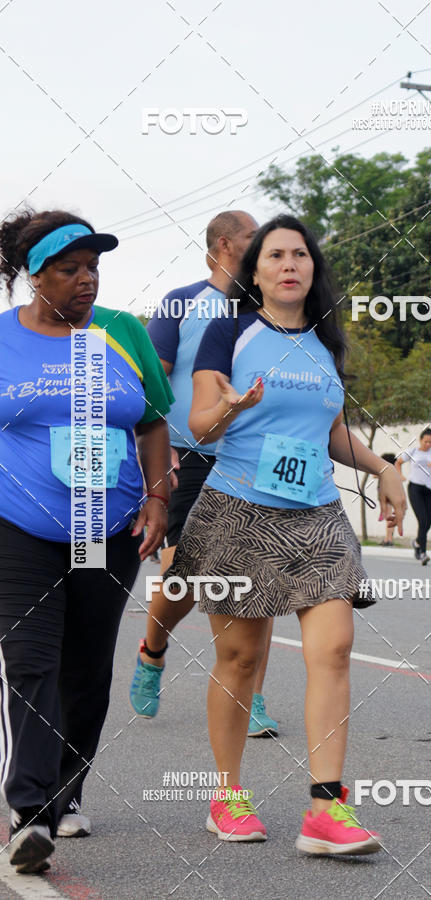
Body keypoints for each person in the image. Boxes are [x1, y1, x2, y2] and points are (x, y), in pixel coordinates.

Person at [150, 214, 407, 853]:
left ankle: (325, 809)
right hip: (238, 511)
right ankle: (228, 796)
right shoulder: (229, 331)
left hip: (316, 514)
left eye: (300, 254)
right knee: (241, 658)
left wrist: (383, 468)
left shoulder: (325, 341)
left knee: (335, 647)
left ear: (313, 269)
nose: (289, 264)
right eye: (275, 255)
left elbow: (332, 434)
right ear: (255, 271)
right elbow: (200, 423)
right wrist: (229, 406)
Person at [0, 209, 173, 874]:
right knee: (30, 661)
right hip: (19, 528)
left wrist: (158, 498)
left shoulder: (122, 334)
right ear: (34, 276)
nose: (86, 280)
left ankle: (66, 792)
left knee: (87, 666)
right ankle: (29, 812)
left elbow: (152, 422)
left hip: (104, 528)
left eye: (93, 267)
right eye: (69, 269)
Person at [129, 211, 278, 737]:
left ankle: (249, 695)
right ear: (225, 244)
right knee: (185, 578)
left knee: (257, 576)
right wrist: (156, 453)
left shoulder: (266, 310)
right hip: (190, 454)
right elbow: (150, 383)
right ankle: (152, 651)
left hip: (250, 458)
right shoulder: (183, 302)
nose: (263, 244)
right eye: (253, 237)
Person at [396, 428, 431, 565]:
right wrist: (400, 475)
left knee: (428, 523)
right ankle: (423, 553)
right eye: (426, 442)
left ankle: (417, 542)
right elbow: (398, 462)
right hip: (415, 488)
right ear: (420, 440)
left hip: (429, 490)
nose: (428, 444)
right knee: (423, 520)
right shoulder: (413, 452)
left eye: (430, 442)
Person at [379, 453, 397, 545]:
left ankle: (388, 539)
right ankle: (389, 539)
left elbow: (374, 475)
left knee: (388, 517)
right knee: (390, 517)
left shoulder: (384, 471)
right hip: (392, 495)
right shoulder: (394, 471)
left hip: (386, 496)